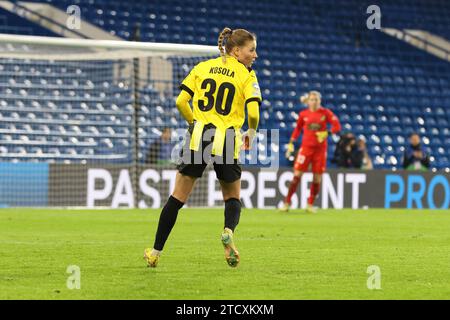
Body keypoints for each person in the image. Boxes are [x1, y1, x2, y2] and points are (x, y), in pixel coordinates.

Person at [144, 27, 261, 268]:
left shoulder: (202, 67)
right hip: (228, 139)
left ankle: (155, 253)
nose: (255, 55)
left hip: (200, 136)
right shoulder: (247, 75)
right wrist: (250, 132)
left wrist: (193, 122)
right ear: (237, 51)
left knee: (177, 198)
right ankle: (228, 231)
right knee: (232, 196)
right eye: (252, 50)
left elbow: (181, 101)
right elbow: (254, 112)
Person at [280, 91, 341, 213]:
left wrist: (327, 133)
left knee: (317, 178)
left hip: (320, 150)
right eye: (312, 99)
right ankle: (286, 203)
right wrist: (291, 142)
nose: (314, 102)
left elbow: (337, 126)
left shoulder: (325, 113)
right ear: (308, 101)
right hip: (306, 149)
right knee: (296, 176)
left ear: (319, 101)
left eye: (316, 99)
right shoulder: (303, 114)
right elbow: (297, 129)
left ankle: (310, 204)